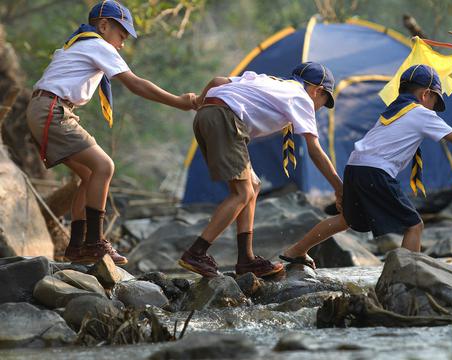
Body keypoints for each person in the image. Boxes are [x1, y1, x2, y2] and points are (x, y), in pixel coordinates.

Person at [26, 0, 197, 265]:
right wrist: (179, 102)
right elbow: (136, 85)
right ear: (104, 26)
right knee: (105, 166)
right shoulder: (97, 44)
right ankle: (95, 244)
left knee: (89, 175)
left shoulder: (83, 43)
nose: (123, 42)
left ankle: (76, 248)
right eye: (122, 34)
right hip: (52, 109)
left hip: (47, 108)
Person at [280, 64, 452, 269]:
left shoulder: (392, 111)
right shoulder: (421, 113)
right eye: (434, 101)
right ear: (426, 94)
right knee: (414, 225)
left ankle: (296, 250)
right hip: (375, 172)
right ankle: (407, 274)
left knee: (346, 220)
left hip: (355, 166)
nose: (434, 109)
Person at [179, 62, 343, 278]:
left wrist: (200, 101)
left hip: (207, 115)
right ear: (317, 91)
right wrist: (339, 188)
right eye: (324, 101)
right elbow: (314, 150)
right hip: (225, 118)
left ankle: (246, 259)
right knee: (242, 193)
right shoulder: (302, 97)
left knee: (253, 186)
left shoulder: (270, 81)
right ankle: (196, 253)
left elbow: (217, 81)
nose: (320, 106)